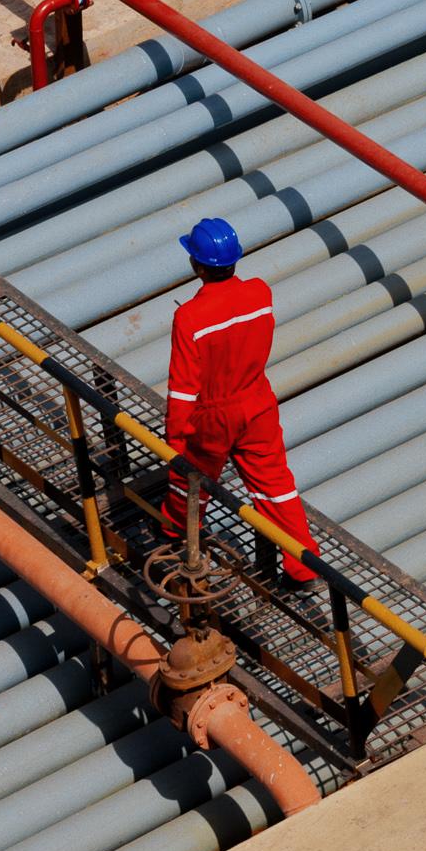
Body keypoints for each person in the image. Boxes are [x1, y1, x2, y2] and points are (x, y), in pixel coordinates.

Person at [160, 216, 322, 585]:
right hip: (258, 403)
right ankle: (303, 567)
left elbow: (183, 387)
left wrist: (176, 439)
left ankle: (175, 534)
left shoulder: (189, 317)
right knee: (276, 486)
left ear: (196, 265)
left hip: (215, 412)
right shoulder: (260, 294)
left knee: (191, 476)